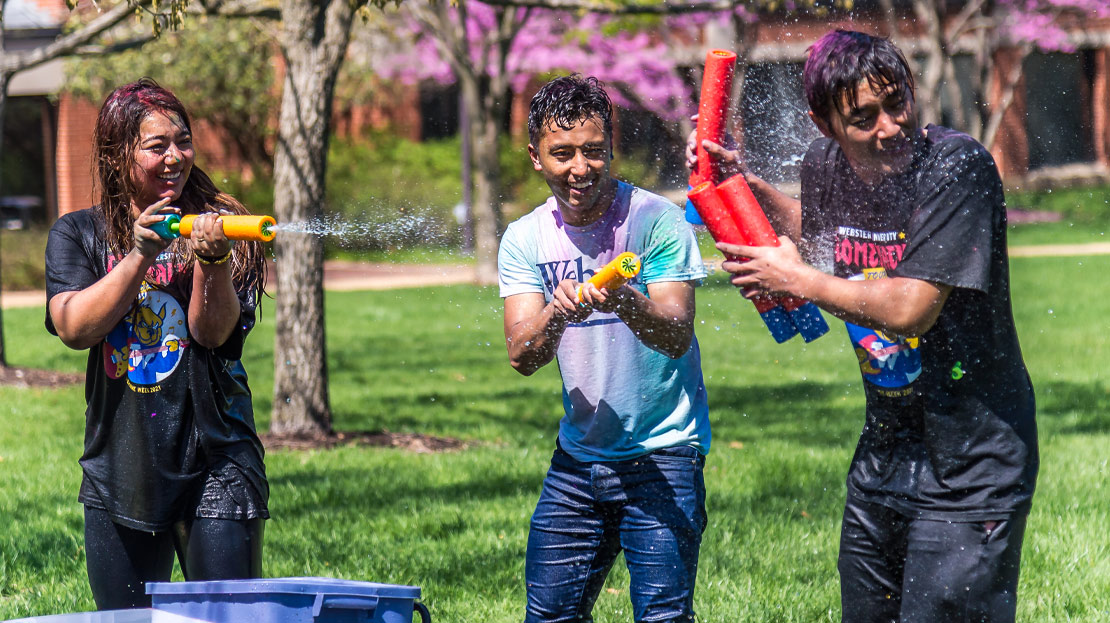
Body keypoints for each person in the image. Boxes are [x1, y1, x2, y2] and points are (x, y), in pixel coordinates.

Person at [689, 30, 1038, 623]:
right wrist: (747, 190)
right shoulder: (825, 166)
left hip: (974, 458)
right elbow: (828, 237)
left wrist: (798, 281)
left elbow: (910, 308)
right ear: (825, 125)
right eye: (863, 117)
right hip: (885, 452)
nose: (889, 126)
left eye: (897, 101)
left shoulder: (957, 168)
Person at [45, 78, 270, 610]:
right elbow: (76, 328)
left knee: (228, 622)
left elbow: (212, 335)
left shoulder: (223, 225)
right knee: (123, 622)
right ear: (117, 153)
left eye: (184, 141)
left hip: (218, 458)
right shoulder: (79, 234)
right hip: (118, 466)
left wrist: (212, 260)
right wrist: (140, 254)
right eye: (156, 146)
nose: (176, 156)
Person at [499, 74, 711, 623]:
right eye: (562, 153)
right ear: (535, 157)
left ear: (611, 148)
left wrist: (622, 300)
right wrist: (557, 312)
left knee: (663, 618)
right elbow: (522, 356)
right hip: (578, 460)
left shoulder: (654, 221)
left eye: (593, 151)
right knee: (548, 616)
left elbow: (675, 332)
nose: (580, 168)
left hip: (664, 454)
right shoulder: (524, 238)